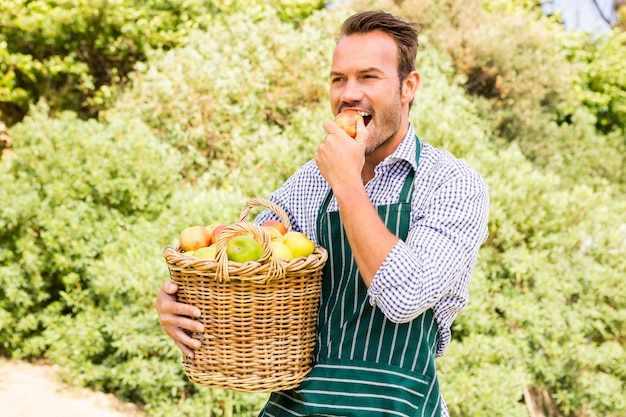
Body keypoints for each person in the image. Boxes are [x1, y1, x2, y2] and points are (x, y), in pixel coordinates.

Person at [156, 10, 489, 417]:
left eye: (368, 77)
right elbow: (245, 266)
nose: (349, 93)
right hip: (298, 406)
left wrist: (346, 183)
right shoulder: (310, 181)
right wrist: (183, 305)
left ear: (408, 86)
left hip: (395, 406)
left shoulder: (450, 182)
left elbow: (404, 298)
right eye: (338, 79)